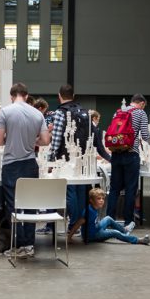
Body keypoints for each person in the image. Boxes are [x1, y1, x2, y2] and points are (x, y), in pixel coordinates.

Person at [0, 82, 50, 259]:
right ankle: (29, 245)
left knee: (14, 206)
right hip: (30, 163)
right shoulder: (37, 114)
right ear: (26, 96)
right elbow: (45, 140)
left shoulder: (5, 112)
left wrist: (10, 137)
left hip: (11, 164)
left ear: (12, 96)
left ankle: (18, 245)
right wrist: (32, 142)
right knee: (30, 204)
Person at [48, 84, 91, 234]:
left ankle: (73, 223)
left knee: (69, 190)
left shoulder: (60, 113)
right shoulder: (84, 111)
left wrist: (51, 158)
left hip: (66, 158)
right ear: (73, 95)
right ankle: (77, 225)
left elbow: (56, 138)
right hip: (82, 157)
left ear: (59, 95)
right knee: (80, 189)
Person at [106, 94, 150, 225]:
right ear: (142, 103)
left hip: (116, 153)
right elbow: (144, 134)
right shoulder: (141, 113)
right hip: (131, 154)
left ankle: (109, 219)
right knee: (130, 189)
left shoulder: (118, 112)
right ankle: (128, 221)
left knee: (114, 189)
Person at [68, 188, 150, 245]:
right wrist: (69, 237)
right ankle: (138, 240)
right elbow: (79, 223)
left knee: (108, 218)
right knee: (115, 233)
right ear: (91, 200)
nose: (101, 201)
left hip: (95, 228)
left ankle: (124, 230)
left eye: (102, 199)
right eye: (98, 199)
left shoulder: (94, 207)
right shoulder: (88, 211)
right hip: (92, 236)